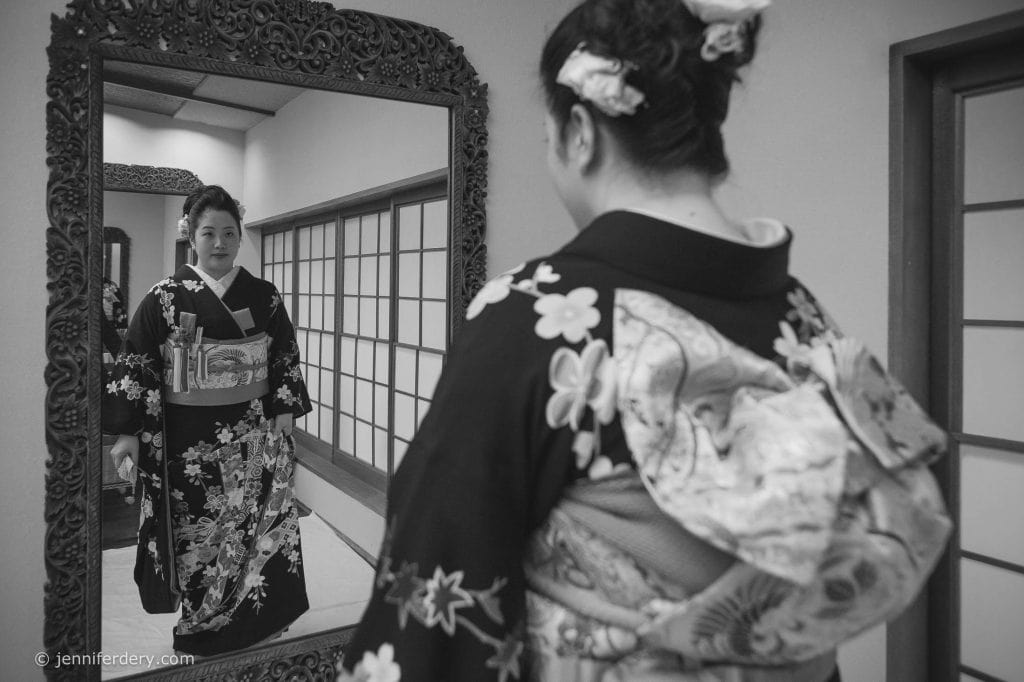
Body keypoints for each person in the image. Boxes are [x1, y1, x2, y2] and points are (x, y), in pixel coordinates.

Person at [340, 1, 951, 680]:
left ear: (579, 132)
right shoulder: (800, 312)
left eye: (549, 137)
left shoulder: (532, 314)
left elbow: (437, 590)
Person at [105, 185, 313, 657]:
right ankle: (200, 623)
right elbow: (136, 362)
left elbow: (284, 352)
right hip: (185, 438)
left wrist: (284, 408)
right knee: (195, 532)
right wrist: (127, 433)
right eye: (208, 233)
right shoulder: (163, 297)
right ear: (191, 237)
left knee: (257, 523)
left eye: (228, 233)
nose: (219, 243)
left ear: (239, 238)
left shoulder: (264, 295)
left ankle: (262, 619)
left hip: (253, 431)